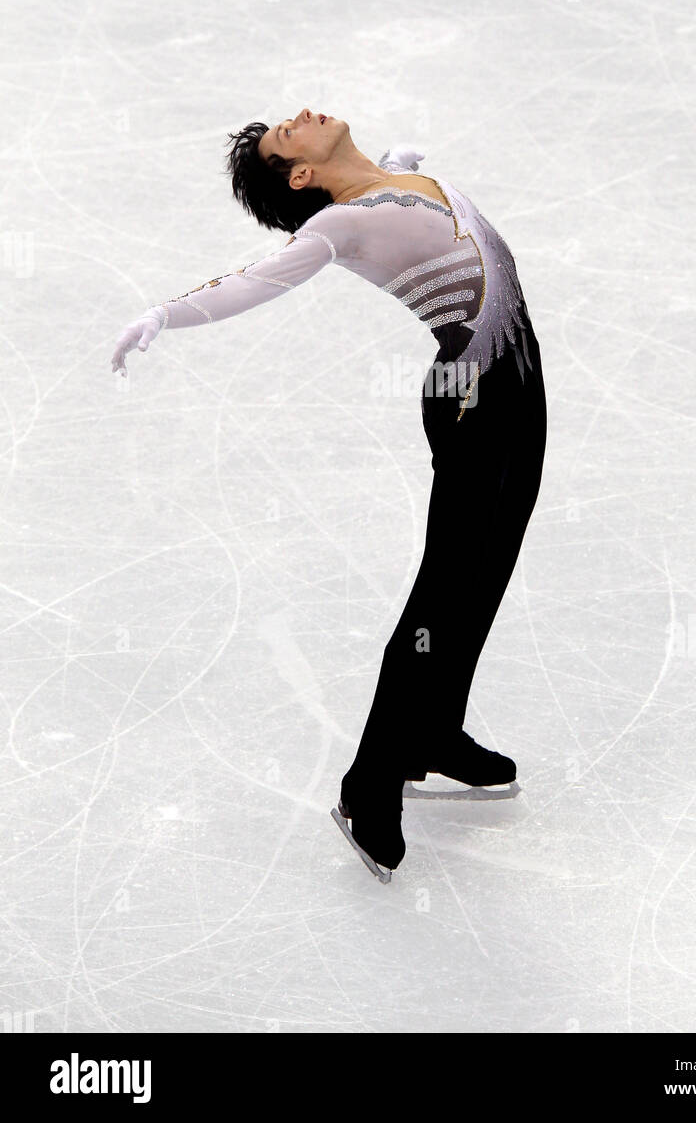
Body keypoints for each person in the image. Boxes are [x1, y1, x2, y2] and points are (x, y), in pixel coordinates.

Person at [111, 109, 547, 880]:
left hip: (519, 385)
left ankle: (434, 733)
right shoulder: (337, 228)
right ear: (302, 176)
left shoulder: (395, 175)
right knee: (442, 594)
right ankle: (368, 784)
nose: (300, 117)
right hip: (469, 393)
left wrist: (397, 162)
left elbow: (406, 199)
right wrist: (163, 315)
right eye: (287, 137)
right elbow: (251, 282)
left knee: (487, 572)